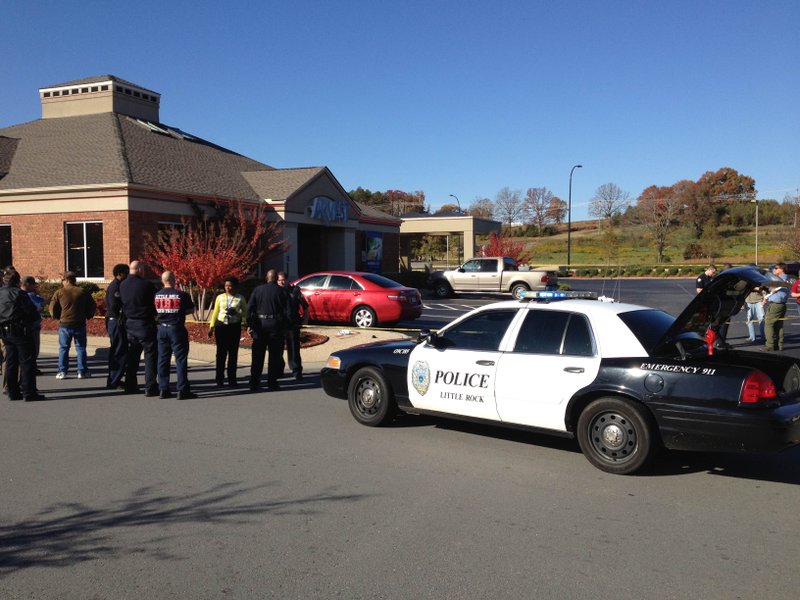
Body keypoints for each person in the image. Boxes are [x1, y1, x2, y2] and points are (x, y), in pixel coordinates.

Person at [0, 268, 45, 401]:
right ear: (17, 281)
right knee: (27, 362)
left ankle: (12, 392)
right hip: (20, 330)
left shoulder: (1, 293)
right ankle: (29, 392)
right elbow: (31, 312)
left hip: (4, 330)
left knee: (11, 361)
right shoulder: (19, 294)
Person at [119, 260, 159, 396]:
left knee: (133, 356)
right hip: (144, 323)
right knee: (150, 356)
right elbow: (154, 304)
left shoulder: (123, 285)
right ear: (140, 270)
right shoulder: (147, 285)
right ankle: (150, 386)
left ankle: (130, 385)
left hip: (130, 323)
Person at [154, 270, 196, 400]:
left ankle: (163, 389)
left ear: (163, 281)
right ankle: (182, 390)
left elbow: (154, 311)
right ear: (174, 280)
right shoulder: (181, 295)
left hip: (161, 329)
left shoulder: (157, 295)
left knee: (162, 359)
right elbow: (191, 309)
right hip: (176, 329)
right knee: (180, 360)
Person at [49, 271, 97, 380]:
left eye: (62, 280)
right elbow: (93, 306)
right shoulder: (82, 291)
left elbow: (52, 308)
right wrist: (88, 315)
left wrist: (57, 317)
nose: (62, 282)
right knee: (81, 348)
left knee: (64, 348)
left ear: (66, 280)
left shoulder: (59, 292)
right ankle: (82, 371)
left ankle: (62, 371)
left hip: (65, 324)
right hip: (79, 323)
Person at [247, 269, 288, 392]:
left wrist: (250, 324)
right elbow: (289, 312)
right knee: (274, 356)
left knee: (257, 356)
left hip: (260, 326)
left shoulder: (257, 290)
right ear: (276, 279)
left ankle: (254, 381)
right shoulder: (282, 292)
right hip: (276, 326)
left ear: (266, 277)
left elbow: (249, 309)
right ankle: (272, 382)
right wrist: (285, 326)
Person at [208, 276, 247, 388]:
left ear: (235, 286)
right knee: (221, 354)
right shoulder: (220, 298)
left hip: (234, 327)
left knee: (233, 354)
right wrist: (211, 327)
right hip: (221, 327)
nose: (228, 288)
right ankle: (219, 379)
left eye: (230, 286)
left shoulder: (240, 298)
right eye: (226, 286)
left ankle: (232, 379)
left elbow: (245, 313)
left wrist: (238, 313)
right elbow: (215, 312)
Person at [277, 271, 308, 380]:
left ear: (288, 280)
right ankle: (279, 370)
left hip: (293, 324)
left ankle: (296, 371)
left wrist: (305, 319)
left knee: (294, 349)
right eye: (279, 280)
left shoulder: (295, 291)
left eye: (283, 279)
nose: (282, 282)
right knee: (278, 349)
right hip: (279, 325)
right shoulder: (275, 292)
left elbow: (305, 305)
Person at [105, 263, 130, 389]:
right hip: (116, 321)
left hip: (116, 321)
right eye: (126, 273)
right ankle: (114, 380)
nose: (128, 275)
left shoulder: (119, 285)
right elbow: (115, 306)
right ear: (120, 274)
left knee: (119, 349)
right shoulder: (116, 287)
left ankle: (115, 378)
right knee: (118, 350)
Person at [21, 276, 45, 374]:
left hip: (30, 326)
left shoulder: (31, 294)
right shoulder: (25, 296)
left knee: (32, 349)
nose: (34, 287)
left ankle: (31, 366)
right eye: (32, 285)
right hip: (31, 326)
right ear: (27, 285)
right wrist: (42, 305)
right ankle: (30, 368)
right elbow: (36, 308)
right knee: (33, 348)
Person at [763, 262, 789, 352]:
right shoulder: (785, 278)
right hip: (781, 304)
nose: (774, 269)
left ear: (781, 269)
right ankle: (779, 345)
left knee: (768, 324)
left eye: (776, 268)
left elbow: (772, 289)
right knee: (779, 325)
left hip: (776, 304)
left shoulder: (780, 279)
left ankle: (769, 345)